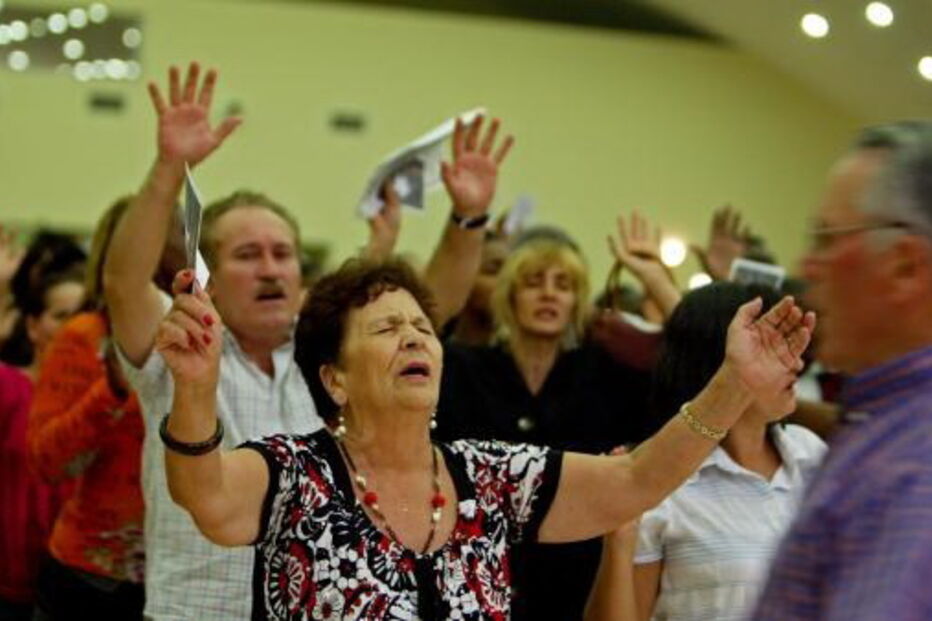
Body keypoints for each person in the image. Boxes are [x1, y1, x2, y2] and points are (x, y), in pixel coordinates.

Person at [156, 254, 812, 620]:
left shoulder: (490, 478)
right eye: (385, 329)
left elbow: (635, 481)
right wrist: (193, 387)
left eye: (420, 327)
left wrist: (734, 384)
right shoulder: (296, 471)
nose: (414, 337)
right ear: (335, 378)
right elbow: (204, 493)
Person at [103, 61, 512, 619]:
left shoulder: (327, 352)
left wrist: (468, 217)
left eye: (283, 254)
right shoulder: (180, 347)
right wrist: (168, 171)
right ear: (209, 274)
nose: (271, 269)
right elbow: (123, 281)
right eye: (248, 256)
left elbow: (436, 299)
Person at [435, 213, 680, 620]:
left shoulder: (606, 373)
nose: (548, 294)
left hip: (579, 585)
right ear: (510, 294)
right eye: (533, 282)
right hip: (480, 585)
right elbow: (429, 325)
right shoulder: (465, 369)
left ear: (578, 301)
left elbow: (694, 362)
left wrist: (655, 280)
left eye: (563, 285)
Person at [753, 122, 932, 620]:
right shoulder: (882, 423)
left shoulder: (914, 460)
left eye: (827, 240)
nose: (807, 265)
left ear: (904, 266)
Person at [584, 282, 826, 621]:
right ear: (719, 364)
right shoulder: (660, 477)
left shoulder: (811, 454)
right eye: (772, 345)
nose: (796, 363)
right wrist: (619, 541)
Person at [27, 197, 146, 619]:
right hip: (94, 576)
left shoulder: (210, 335)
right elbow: (47, 461)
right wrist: (110, 391)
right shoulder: (84, 336)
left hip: (182, 574)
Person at [0, 264, 85, 619]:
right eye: (61, 315)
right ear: (33, 326)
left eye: (84, 316)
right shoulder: (7, 386)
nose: (74, 327)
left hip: (74, 587)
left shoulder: (106, 403)